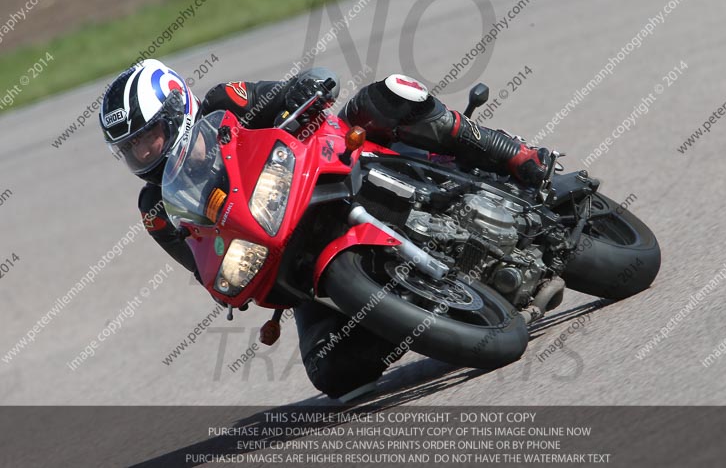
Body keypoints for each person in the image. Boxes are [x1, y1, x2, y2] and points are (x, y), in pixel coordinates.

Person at [98, 58, 551, 399]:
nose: (143, 153)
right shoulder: (157, 206)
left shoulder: (226, 102)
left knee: (387, 97)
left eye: (148, 136)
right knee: (332, 372)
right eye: (131, 148)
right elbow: (201, 263)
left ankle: (511, 153)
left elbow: (287, 95)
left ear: (176, 109)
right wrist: (223, 281)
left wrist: (303, 90)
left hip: (330, 174)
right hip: (293, 252)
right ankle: (411, 316)